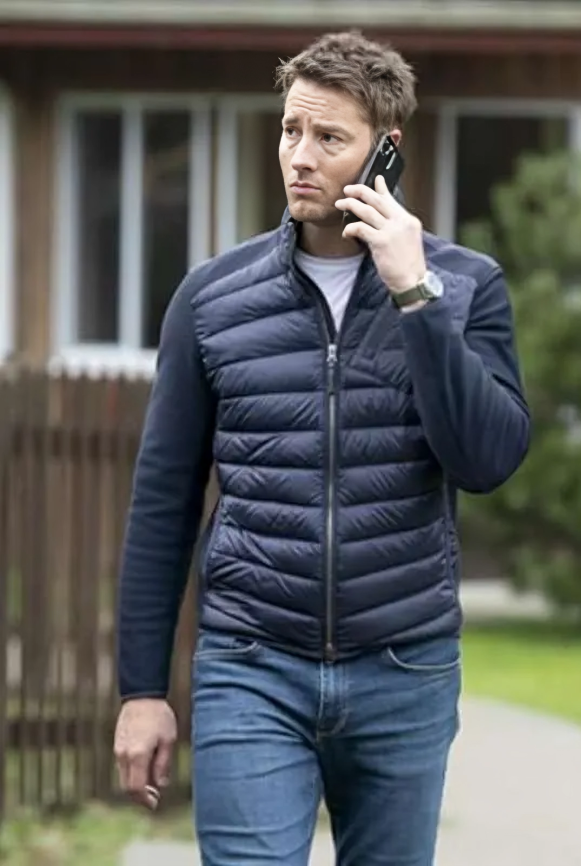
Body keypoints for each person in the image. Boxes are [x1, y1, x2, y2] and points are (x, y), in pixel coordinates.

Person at [113, 29, 530, 866]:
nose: (299, 156)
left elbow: (485, 461)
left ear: (385, 151)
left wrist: (415, 296)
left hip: (405, 671)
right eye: (289, 130)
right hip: (250, 667)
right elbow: (161, 503)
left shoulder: (464, 287)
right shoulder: (211, 301)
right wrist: (142, 690)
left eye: (329, 137)